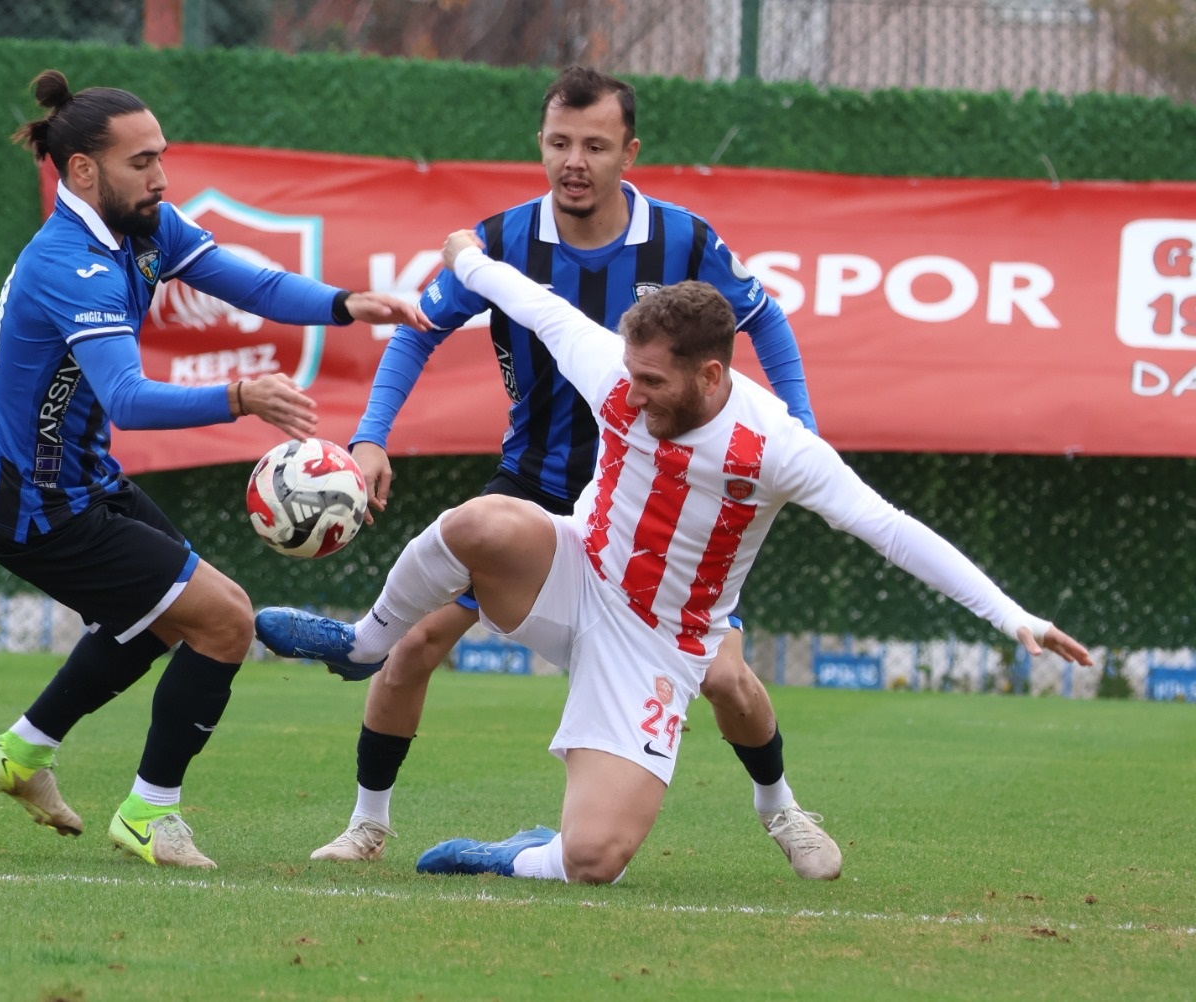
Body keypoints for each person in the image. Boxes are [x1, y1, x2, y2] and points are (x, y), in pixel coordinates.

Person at [255, 229, 1093, 886]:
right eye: (632, 373)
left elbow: (893, 529)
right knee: (483, 521)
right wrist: (468, 260)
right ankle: (362, 643)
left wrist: (1013, 617)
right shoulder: (620, 374)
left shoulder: (777, 447)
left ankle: (512, 853)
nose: (633, 392)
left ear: (713, 375)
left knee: (594, 860)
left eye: (654, 381)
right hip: (576, 572)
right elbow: (540, 307)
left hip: (662, 638)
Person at [315, 65, 838, 880]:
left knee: (728, 678)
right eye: (561, 142)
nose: (576, 161)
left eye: (596, 145)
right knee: (415, 640)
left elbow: (764, 319)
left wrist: (800, 430)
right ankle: (366, 824)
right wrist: (370, 436)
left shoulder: (685, 241)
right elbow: (417, 329)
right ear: (541, 144)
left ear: (630, 151)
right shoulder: (499, 241)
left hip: (657, 502)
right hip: (535, 481)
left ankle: (782, 811)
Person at [0, 70, 428, 869]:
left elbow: (252, 280)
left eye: (162, 157)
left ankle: (21, 751)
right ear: (82, 171)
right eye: (141, 161)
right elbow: (130, 398)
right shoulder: (70, 265)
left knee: (162, 621)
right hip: (35, 505)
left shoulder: (144, 228)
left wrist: (345, 304)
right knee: (221, 622)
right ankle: (149, 814)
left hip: (75, 482)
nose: (161, 177)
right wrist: (241, 394)